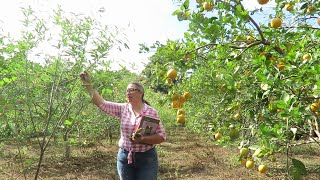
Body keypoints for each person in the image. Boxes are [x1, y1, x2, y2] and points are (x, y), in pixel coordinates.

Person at [80, 70, 166, 180]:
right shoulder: (123, 108)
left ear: (140, 93)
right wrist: (88, 85)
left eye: (131, 90)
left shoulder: (151, 112)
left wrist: (143, 138)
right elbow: (101, 103)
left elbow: (162, 136)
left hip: (146, 158)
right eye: (127, 91)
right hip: (125, 157)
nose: (128, 93)